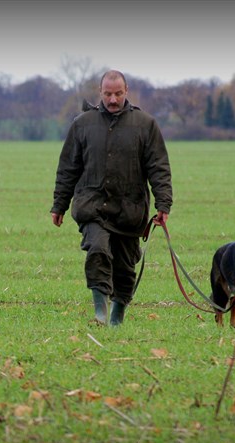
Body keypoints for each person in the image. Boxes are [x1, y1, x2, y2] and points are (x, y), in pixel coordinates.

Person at [51, 70, 173, 326]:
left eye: (118, 93)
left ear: (126, 91)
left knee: (125, 268)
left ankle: (117, 316)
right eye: (108, 94)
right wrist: (59, 205)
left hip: (130, 210)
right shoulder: (83, 124)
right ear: (100, 92)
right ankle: (100, 312)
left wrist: (164, 204)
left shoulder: (145, 124)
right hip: (92, 206)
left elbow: (158, 167)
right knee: (97, 250)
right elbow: (68, 168)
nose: (113, 99)